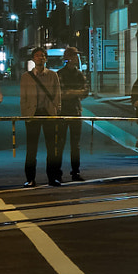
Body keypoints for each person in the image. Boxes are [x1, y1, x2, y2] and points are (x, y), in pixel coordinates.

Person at [20, 44, 64, 187]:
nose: (40, 58)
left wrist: (56, 109)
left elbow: (57, 95)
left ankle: (53, 177)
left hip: (48, 113)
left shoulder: (53, 75)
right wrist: (25, 114)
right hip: (32, 114)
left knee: (52, 147)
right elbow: (23, 97)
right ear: (33, 58)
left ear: (46, 59)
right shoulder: (26, 77)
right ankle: (30, 178)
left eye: (43, 56)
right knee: (31, 148)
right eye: (38, 55)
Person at [58, 45, 89, 181]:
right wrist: (75, 93)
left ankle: (75, 172)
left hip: (76, 111)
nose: (76, 58)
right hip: (62, 112)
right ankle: (57, 172)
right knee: (60, 143)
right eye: (74, 55)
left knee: (75, 145)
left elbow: (86, 92)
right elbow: (61, 94)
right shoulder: (60, 74)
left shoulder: (79, 74)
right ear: (68, 58)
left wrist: (71, 93)